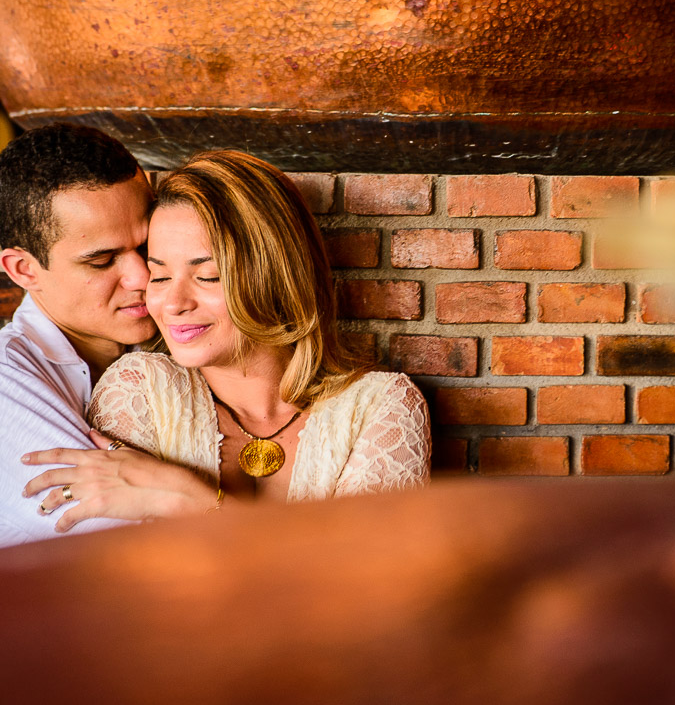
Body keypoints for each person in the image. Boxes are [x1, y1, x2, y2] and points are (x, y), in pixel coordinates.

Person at [21, 151, 430, 528]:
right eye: (159, 276)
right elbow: (126, 573)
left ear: (276, 276)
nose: (173, 303)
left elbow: (368, 574)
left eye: (208, 276)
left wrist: (190, 499)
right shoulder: (139, 389)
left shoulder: (381, 406)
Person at [0, 123, 186, 552]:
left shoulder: (176, 338)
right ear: (25, 270)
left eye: (145, 247)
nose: (141, 276)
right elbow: (123, 544)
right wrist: (194, 497)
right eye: (102, 260)